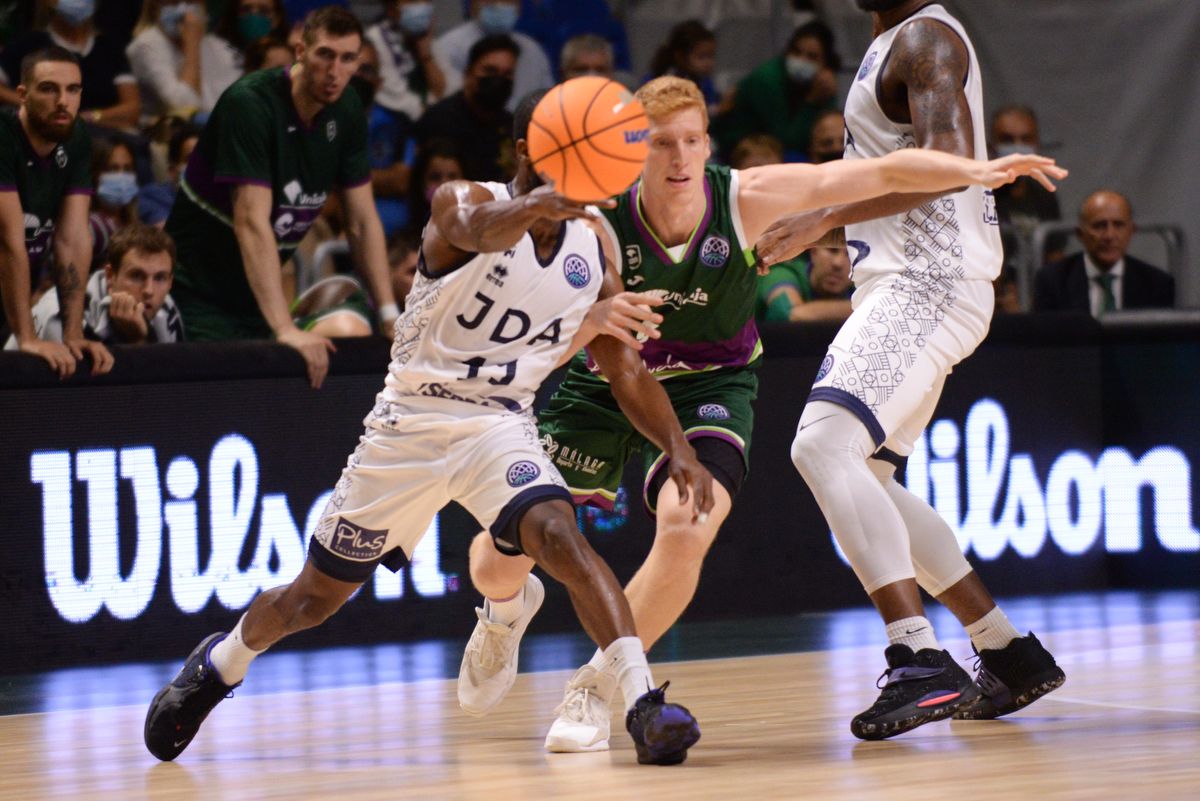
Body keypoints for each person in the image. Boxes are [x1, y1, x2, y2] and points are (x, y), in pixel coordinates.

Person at [458, 73, 1065, 751]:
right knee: (502, 559)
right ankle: (503, 610)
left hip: (711, 383)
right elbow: (593, 352)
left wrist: (974, 168)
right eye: (662, 144)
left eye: (693, 140)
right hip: (606, 381)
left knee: (690, 521)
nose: (681, 158)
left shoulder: (743, 198)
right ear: (635, 149)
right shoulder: (598, 219)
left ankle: (596, 688)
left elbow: (873, 172)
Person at [143, 90, 712, 767]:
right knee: (311, 600)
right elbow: (474, 229)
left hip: (497, 426)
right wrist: (534, 206)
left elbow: (625, 371)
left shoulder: (593, 253)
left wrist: (677, 446)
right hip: (408, 426)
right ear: (529, 149)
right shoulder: (460, 199)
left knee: (560, 535)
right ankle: (221, 662)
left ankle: (644, 705)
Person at [754, 0, 1069, 740]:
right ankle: (1005, 648)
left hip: (926, 282)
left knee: (821, 445)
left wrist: (824, 216)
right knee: (873, 477)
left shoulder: (926, 38)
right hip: (909, 284)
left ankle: (918, 656)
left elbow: (952, 160)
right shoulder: (892, 41)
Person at [164, 7, 399, 387]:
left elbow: (361, 220)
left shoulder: (349, 108)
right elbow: (251, 222)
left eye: (347, 59)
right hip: (198, 296)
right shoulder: (250, 104)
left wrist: (390, 315)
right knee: (221, 406)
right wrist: (283, 328)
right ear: (299, 49)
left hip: (260, 299)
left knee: (351, 328)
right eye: (325, 54)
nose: (335, 71)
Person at [0, 46, 113, 377]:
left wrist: (73, 333)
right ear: (22, 94)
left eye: (73, 90)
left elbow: (73, 238)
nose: (63, 101)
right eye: (49, 89)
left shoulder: (76, 138)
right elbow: (7, 242)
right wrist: (27, 338)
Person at [5, 222, 183, 347]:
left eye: (160, 278)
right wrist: (134, 342)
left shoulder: (167, 307)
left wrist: (140, 341)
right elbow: (82, 396)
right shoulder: (60, 313)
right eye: (136, 276)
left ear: (170, 281)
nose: (149, 291)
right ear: (110, 275)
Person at [0, 0, 141, 132]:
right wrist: (37, 105)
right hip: (43, 133)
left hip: (101, 136)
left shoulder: (109, 49)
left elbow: (132, 109)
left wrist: (89, 117)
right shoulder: (28, 45)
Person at [713, 20, 840, 162]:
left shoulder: (821, 82)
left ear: (826, 62)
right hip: (740, 152)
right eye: (796, 52)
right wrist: (811, 102)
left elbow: (827, 128)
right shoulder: (767, 80)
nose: (801, 60)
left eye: (812, 56)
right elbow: (786, 141)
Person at [1034, 189, 1174, 316]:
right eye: (1099, 226)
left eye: (1118, 225)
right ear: (1080, 234)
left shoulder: (1157, 284)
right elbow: (1045, 340)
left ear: (1131, 231)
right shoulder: (1052, 282)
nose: (1109, 236)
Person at [414, 35, 517, 183]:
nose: (498, 80)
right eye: (490, 71)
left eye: (507, 74)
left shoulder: (511, 126)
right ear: (468, 74)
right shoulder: (439, 120)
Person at [126, 0, 242, 124]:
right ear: (155, 6)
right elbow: (185, 107)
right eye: (174, 3)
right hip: (165, 135)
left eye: (191, 3)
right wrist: (192, 45)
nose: (184, 13)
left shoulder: (219, 46)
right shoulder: (145, 46)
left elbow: (236, 104)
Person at [433, 0, 553, 113]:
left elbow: (549, 103)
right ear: (472, 3)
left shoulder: (533, 50)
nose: (498, 4)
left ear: (519, 6)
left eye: (507, 0)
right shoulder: (447, 47)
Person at [365, 0, 446, 123]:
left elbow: (442, 90)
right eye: (412, 1)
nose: (421, 4)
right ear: (391, 9)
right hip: (393, 123)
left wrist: (425, 54)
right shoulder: (374, 40)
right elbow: (399, 99)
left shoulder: (426, 37)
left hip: (430, 118)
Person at [757, 241, 853, 323]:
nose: (838, 263)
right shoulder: (783, 272)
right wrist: (860, 308)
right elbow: (790, 314)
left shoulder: (860, 285)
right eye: (832, 250)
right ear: (813, 251)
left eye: (851, 255)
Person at [88, 138, 141, 270]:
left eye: (127, 169)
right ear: (95, 173)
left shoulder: (131, 223)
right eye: (112, 169)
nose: (121, 176)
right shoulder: (90, 226)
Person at [646, 20, 719, 113]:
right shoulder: (660, 80)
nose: (709, 62)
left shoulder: (705, 81)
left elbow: (709, 106)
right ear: (680, 57)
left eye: (711, 56)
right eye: (702, 57)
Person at [139, 123, 200, 227]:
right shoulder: (152, 196)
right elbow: (167, 233)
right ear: (172, 170)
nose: (200, 167)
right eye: (190, 160)